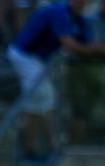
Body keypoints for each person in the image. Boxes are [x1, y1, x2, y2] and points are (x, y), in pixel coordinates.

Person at [10, 0, 105, 152]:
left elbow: (88, 43)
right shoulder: (58, 11)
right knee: (49, 98)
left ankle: (29, 150)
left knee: (32, 104)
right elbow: (69, 45)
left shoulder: (78, 20)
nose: (80, 4)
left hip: (39, 60)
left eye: (83, 2)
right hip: (24, 56)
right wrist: (94, 50)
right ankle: (57, 148)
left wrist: (94, 48)